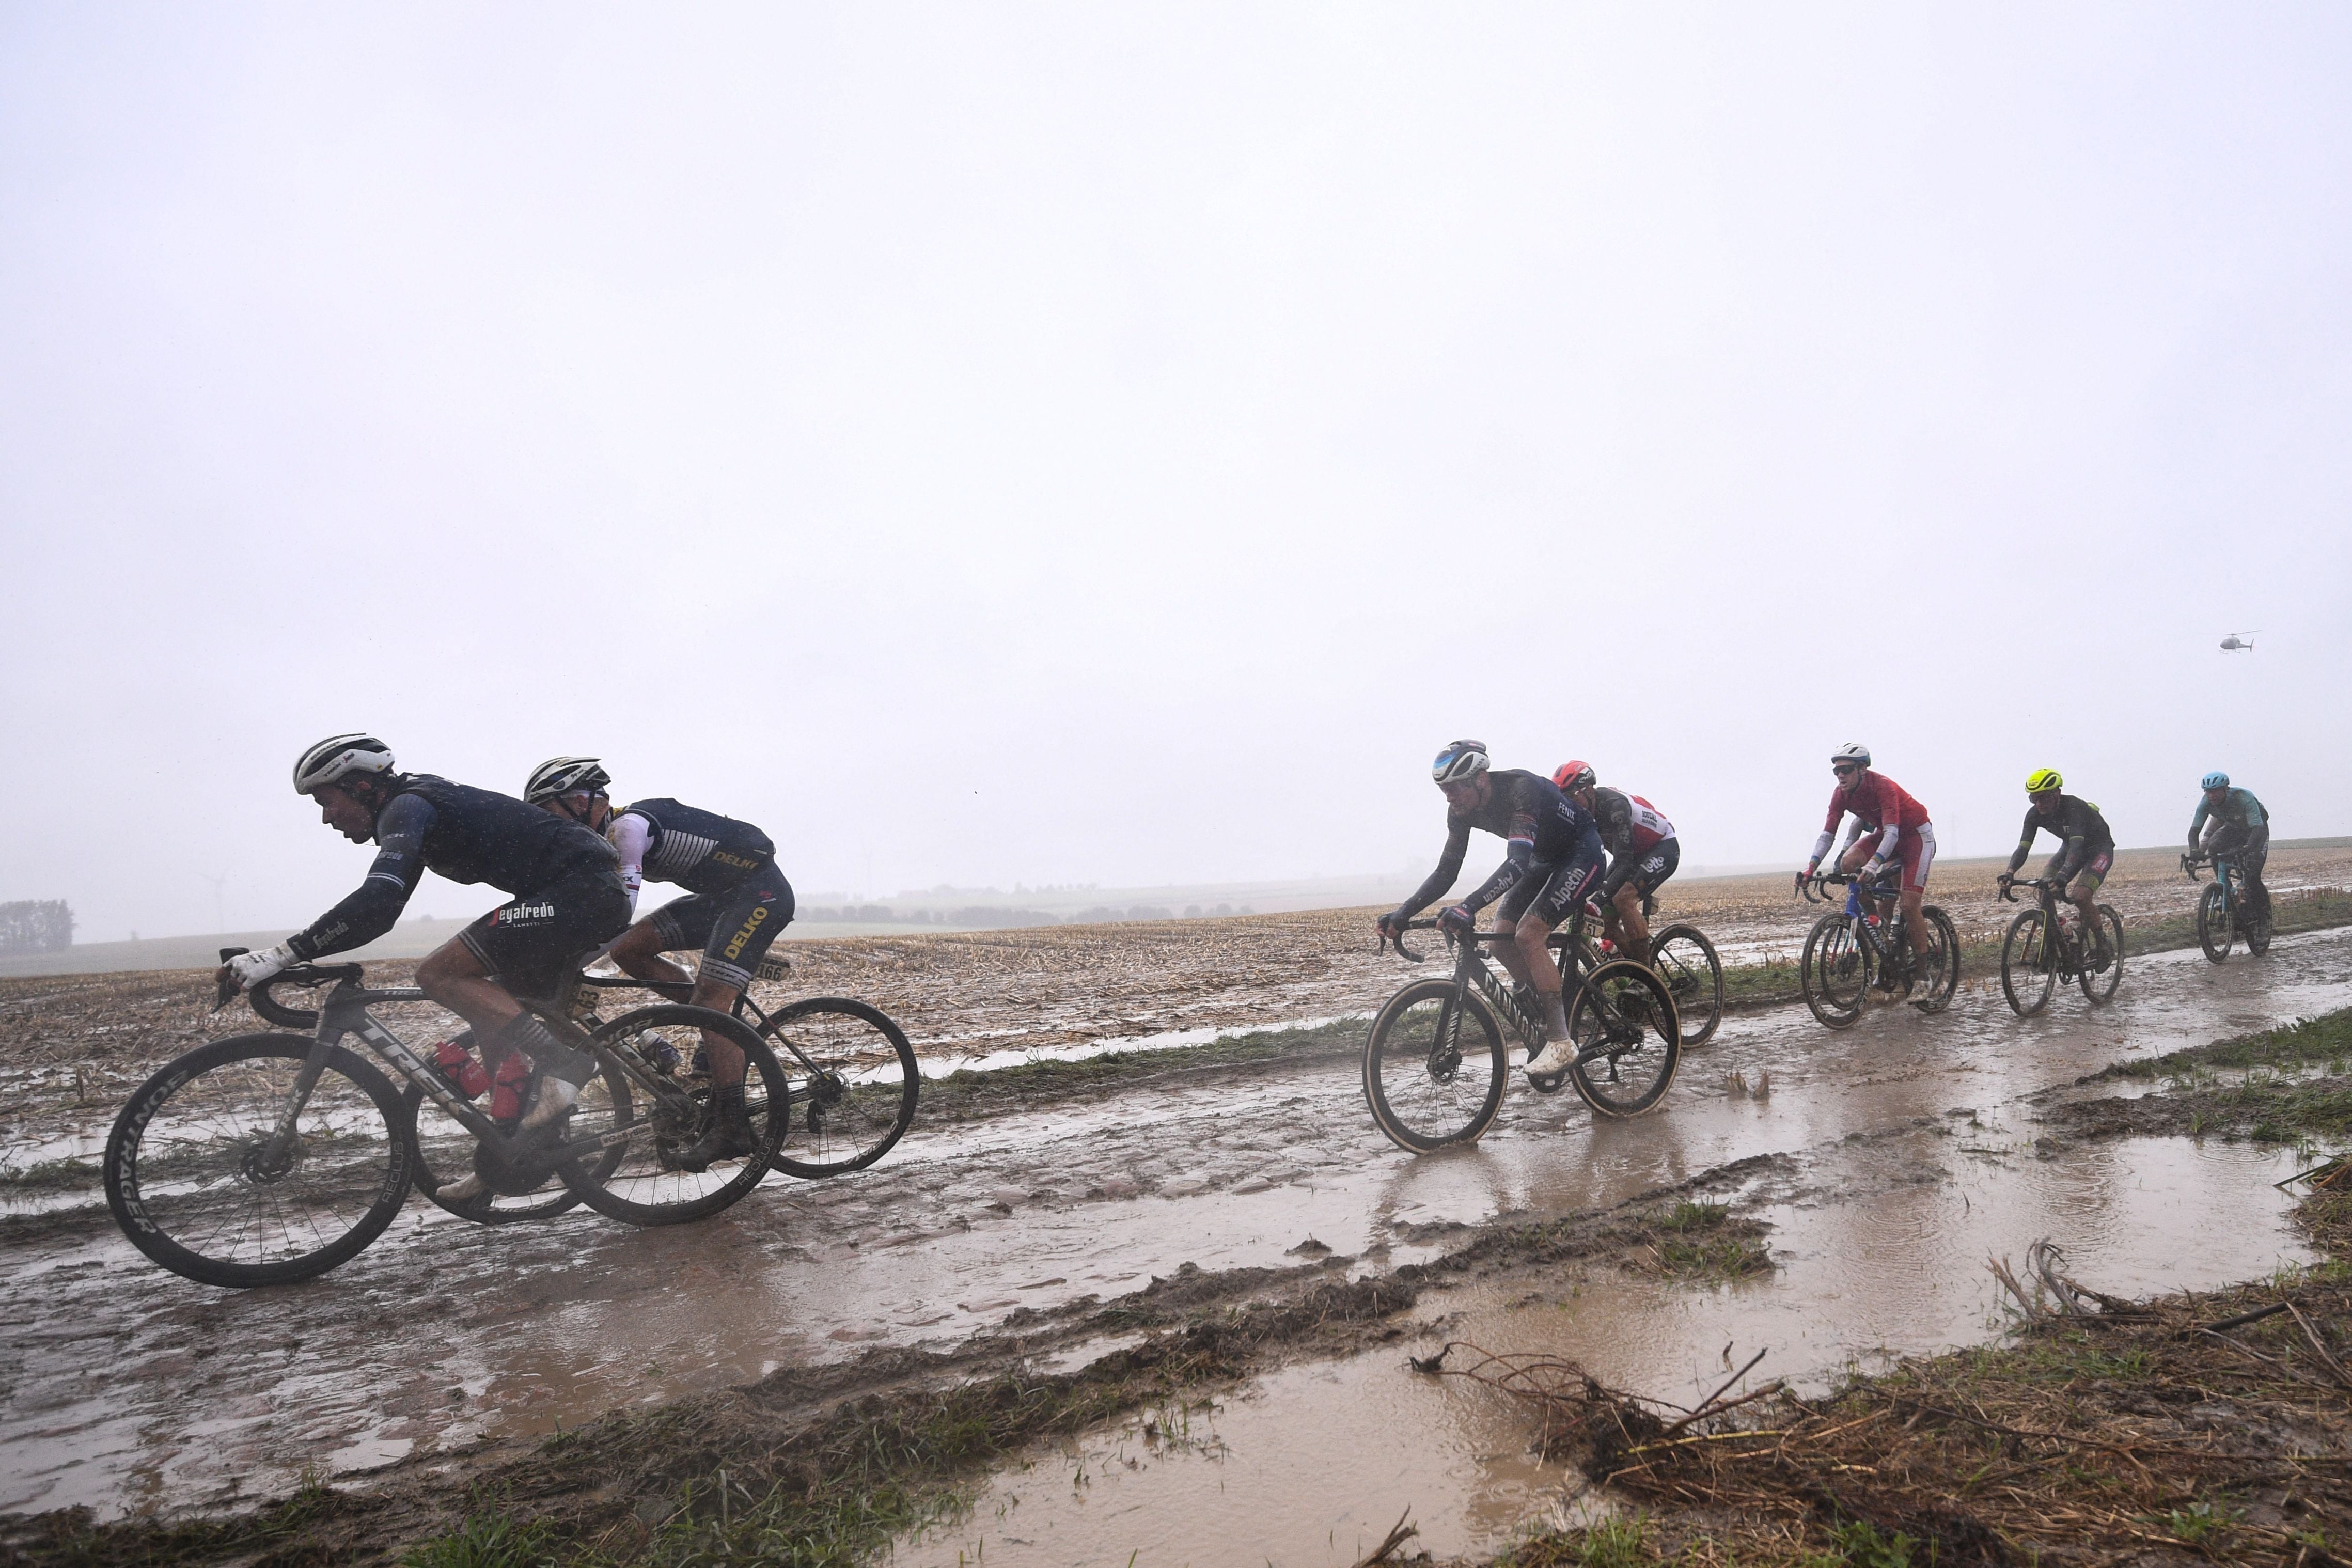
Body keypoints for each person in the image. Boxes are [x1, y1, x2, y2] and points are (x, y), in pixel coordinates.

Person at [216, 735, 631, 1202]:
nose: (327, 817)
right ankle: (510, 1145)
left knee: (438, 975)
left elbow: (375, 899)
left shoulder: (408, 807)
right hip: (574, 894)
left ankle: (565, 1063)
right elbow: (383, 909)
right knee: (491, 1014)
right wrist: (298, 953)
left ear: (359, 787)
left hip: (584, 892)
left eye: (326, 801)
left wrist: (282, 955)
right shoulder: (413, 809)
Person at [523, 757, 793, 1169]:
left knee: (711, 1005)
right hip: (721, 898)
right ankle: (713, 1028)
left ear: (581, 800)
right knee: (629, 952)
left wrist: (564, 959)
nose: (548, 823)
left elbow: (616, 913)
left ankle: (734, 1126)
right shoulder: (603, 840)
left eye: (548, 811)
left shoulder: (626, 830)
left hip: (760, 896)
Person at [1377, 740, 1608, 1077]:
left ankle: (1561, 1041)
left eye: (1456, 787)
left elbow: (1516, 864)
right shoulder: (1460, 811)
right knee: (1501, 940)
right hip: (1543, 860)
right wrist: (1403, 913)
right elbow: (1447, 871)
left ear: (1481, 778)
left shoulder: (1521, 791)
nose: (1449, 796)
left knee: (1529, 935)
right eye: (1444, 789)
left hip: (1580, 854)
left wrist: (1468, 907)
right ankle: (1548, 1008)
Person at [1795, 743, 1937, 989]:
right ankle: (1879, 924)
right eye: (1836, 771)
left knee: (1908, 904)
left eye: (1846, 770)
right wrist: (1811, 867)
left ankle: (1923, 977)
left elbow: (1892, 833)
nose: (1840, 775)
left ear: (1863, 769)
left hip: (1915, 837)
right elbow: (1828, 834)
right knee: (1849, 864)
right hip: (1888, 837)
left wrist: (1873, 866)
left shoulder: (1883, 786)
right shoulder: (1840, 794)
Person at [1552, 761, 1678, 965]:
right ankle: (1633, 966)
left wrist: (1598, 900)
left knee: (1623, 899)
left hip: (1662, 847)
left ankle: (1646, 976)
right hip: (1632, 856)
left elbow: (1625, 863)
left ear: (1589, 790)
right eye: (1564, 799)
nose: (1570, 804)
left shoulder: (1614, 806)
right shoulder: (1581, 816)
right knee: (1605, 924)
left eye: (1572, 796)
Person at [1998, 769, 2115, 967]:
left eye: (2043, 798)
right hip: (2070, 848)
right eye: (2033, 799)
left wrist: (2063, 876)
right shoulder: (2034, 815)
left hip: (2098, 849)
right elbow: (2024, 847)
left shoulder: (2075, 808)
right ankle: (2059, 937)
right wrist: (2009, 873)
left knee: (2080, 896)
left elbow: (2078, 848)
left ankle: (2102, 942)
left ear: (2057, 794)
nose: (2039, 804)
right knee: (2044, 889)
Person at [2189, 771, 2271, 926]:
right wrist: (2194, 851)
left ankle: (2262, 922)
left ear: (2226, 789)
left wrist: (2247, 848)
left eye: (2215, 791)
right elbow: (2195, 831)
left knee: (2252, 874)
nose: (2211, 795)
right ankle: (2226, 890)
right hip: (2234, 829)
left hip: (2257, 830)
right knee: (2214, 848)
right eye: (2208, 792)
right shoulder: (2206, 803)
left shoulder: (2243, 798)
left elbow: (2257, 829)